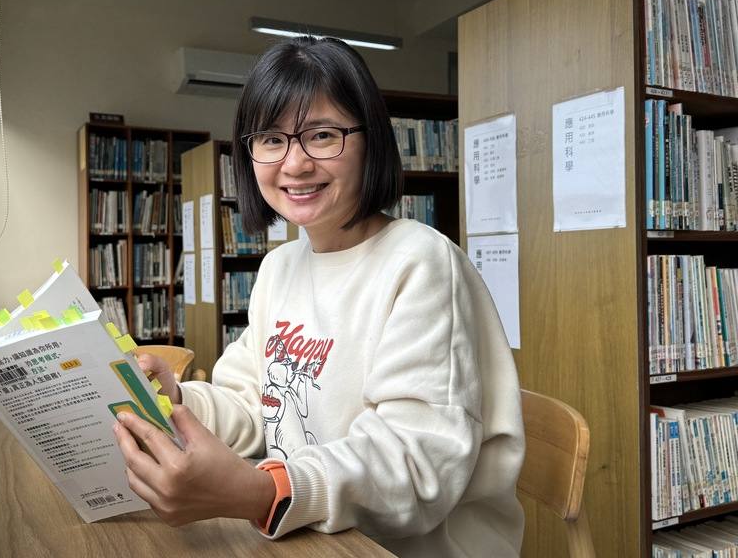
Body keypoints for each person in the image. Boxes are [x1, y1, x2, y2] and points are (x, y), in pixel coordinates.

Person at [112, 36, 525, 558]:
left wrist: (264, 493)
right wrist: (175, 400)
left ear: (371, 140)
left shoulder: (420, 262)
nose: (295, 164)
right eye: (271, 139)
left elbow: (416, 464)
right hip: (312, 536)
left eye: (323, 135)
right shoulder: (280, 267)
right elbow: (257, 404)